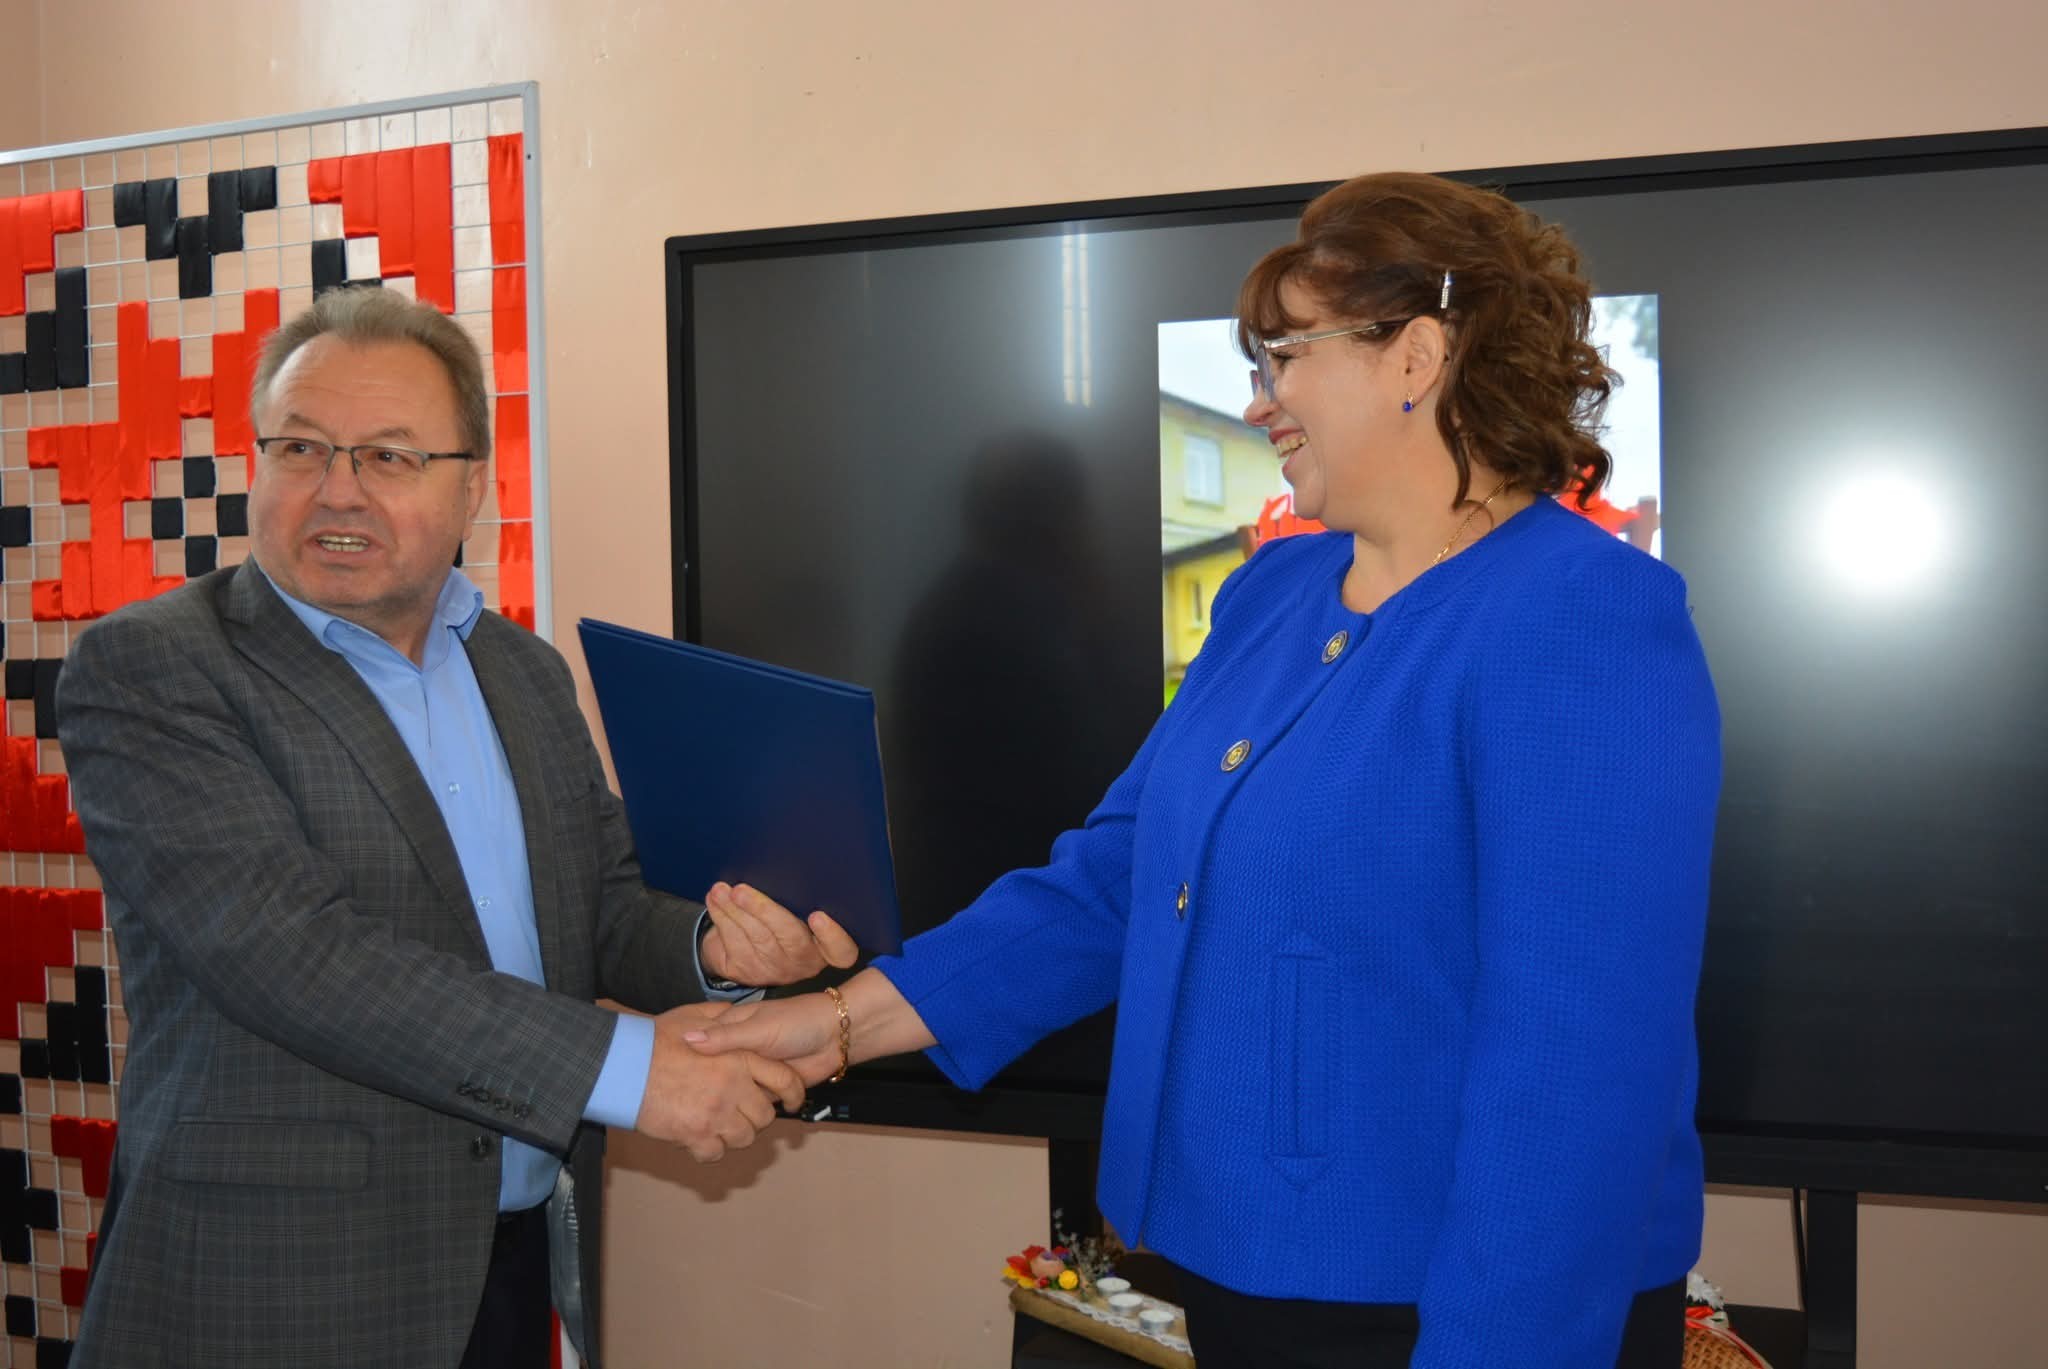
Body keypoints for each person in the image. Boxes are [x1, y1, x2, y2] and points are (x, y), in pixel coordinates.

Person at [686, 172, 1723, 1368]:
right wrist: (836, 1024)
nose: (1258, 398)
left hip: (1447, 1303)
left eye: (1284, 354)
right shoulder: (1272, 594)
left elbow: (1577, 1080)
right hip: (1240, 1273)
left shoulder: (1581, 619)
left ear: (1415, 355)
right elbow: (1121, 877)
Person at [54, 286, 858, 1369]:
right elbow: (294, 955)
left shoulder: (523, 670)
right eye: (301, 448)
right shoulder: (153, 666)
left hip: (508, 1262)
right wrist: (631, 1070)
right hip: (278, 1286)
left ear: (473, 482)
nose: (338, 488)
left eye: (389, 456)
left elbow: (598, 907)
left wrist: (716, 951)